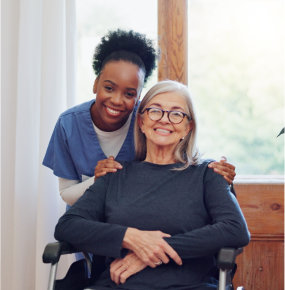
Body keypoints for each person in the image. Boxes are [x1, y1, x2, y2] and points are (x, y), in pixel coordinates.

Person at [54, 80, 250, 290]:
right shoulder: (115, 174)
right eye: (155, 111)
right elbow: (67, 226)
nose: (165, 120)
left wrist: (153, 251)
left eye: (176, 114)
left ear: (188, 127)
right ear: (141, 121)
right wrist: (130, 237)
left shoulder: (208, 174)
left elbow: (235, 229)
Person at [43, 29, 237, 207]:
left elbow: (180, 161)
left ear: (139, 96)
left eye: (129, 94)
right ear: (95, 84)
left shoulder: (149, 120)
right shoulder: (68, 125)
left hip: (134, 217)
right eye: (109, 88)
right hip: (87, 219)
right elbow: (66, 193)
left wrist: (214, 172)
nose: (117, 100)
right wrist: (99, 178)